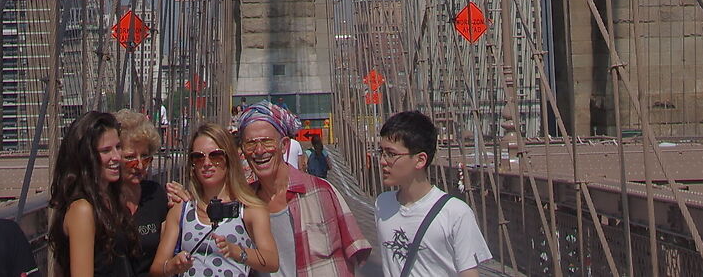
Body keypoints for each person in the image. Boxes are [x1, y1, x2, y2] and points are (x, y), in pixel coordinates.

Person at [234, 102, 369, 277]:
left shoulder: (322, 192)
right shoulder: (242, 202)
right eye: (250, 144)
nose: (259, 151)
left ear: (284, 145)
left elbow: (355, 251)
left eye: (267, 142)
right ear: (243, 150)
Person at [372, 112, 490, 277]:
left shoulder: (456, 213)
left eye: (391, 154)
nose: (383, 161)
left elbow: (469, 273)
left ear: (420, 160)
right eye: (381, 152)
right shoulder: (382, 205)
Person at [151, 123, 276, 277]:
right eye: (198, 157)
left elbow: (271, 261)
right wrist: (172, 266)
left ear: (229, 159)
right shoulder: (181, 210)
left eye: (215, 155)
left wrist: (237, 251)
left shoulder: (249, 209)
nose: (207, 163)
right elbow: (157, 269)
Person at [51, 111, 132, 277]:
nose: (116, 157)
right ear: (86, 156)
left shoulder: (110, 199)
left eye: (118, 147)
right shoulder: (82, 209)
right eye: (106, 150)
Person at [115, 110, 172, 273]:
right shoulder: (102, 201)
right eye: (130, 158)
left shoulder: (156, 195)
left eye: (145, 157)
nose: (140, 166)